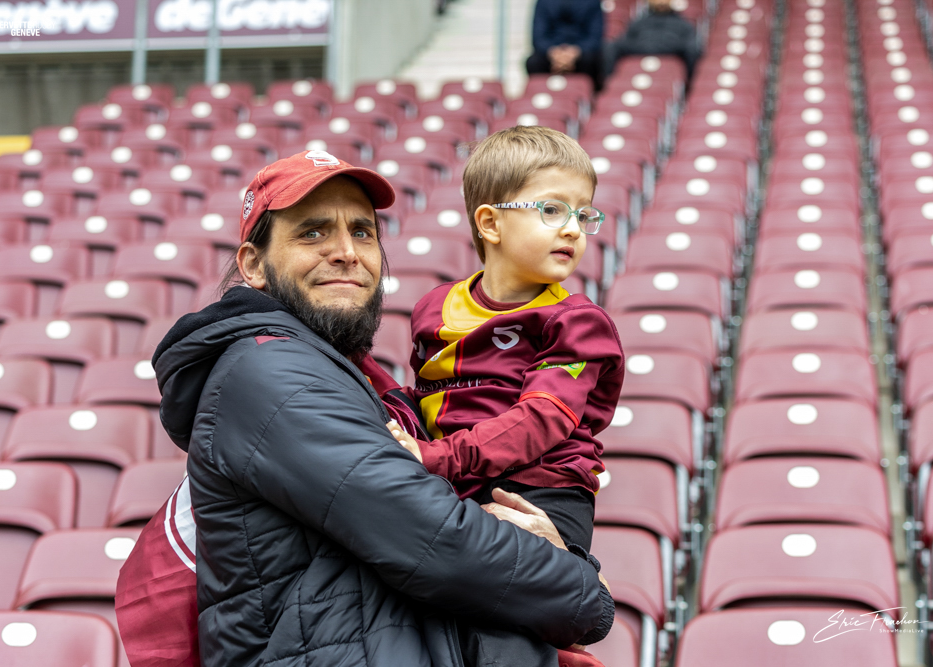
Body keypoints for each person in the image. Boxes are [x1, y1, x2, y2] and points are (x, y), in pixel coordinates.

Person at [123, 149, 614, 667]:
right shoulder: (270, 372)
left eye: (362, 232)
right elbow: (434, 539)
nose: (346, 252)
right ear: (253, 265)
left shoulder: (333, 372)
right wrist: (589, 594)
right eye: (312, 233)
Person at [388, 126, 623, 657]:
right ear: (490, 223)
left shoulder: (578, 322)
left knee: (509, 635)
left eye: (583, 214)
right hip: (455, 480)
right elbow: (427, 396)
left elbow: (543, 419)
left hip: (540, 488)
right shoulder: (433, 308)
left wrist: (435, 458)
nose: (574, 229)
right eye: (552, 210)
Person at [605, 0, 702, 79]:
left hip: (670, 56)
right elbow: (622, 44)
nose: (661, 2)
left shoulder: (684, 25)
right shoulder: (638, 23)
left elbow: (692, 50)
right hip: (640, 51)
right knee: (609, 47)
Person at [526, 0, 606, 91]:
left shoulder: (592, 2)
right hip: (551, 52)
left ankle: (591, 96)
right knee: (533, 62)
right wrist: (555, 53)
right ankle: (539, 94)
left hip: (581, 52)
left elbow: (595, 38)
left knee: (591, 61)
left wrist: (574, 53)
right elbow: (538, 38)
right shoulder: (543, 2)